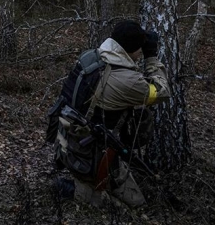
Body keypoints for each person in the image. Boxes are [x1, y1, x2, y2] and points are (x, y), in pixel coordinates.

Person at [55, 20, 170, 207]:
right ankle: (76, 190)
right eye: (139, 49)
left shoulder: (91, 57)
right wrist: (151, 58)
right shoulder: (127, 81)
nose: (141, 53)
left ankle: (84, 180)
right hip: (91, 152)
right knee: (135, 204)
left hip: (67, 137)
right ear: (131, 50)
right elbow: (162, 92)